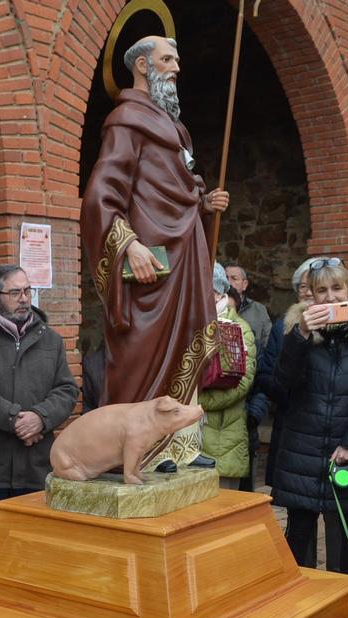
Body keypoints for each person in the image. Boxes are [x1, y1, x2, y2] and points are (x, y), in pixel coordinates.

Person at [80, 35, 229, 466]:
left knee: (184, 346)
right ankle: (140, 451)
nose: (177, 68)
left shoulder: (174, 128)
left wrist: (203, 203)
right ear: (142, 66)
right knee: (140, 355)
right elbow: (100, 197)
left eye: (177, 60)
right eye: (167, 60)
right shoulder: (127, 121)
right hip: (152, 269)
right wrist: (127, 245)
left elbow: (174, 192)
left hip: (185, 260)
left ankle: (179, 447)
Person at [272, 258, 348, 575]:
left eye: (337, 288)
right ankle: (301, 613)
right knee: (299, 546)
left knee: (347, 546)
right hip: (303, 454)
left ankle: (346, 612)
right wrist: (301, 337)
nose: (330, 297)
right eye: (321, 290)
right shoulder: (295, 333)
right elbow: (282, 386)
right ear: (310, 294)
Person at [0, 265, 78, 549]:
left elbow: (67, 390)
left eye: (27, 291)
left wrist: (40, 418)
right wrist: (15, 419)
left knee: (34, 546)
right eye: (15, 292)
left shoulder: (51, 340)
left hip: (36, 464)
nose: (23, 298)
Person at [248, 258, 320, 490]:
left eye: (315, 286)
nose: (309, 292)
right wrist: (288, 393)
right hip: (293, 426)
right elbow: (266, 377)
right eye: (302, 286)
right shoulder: (282, 328)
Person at [199, 263, 256, 490]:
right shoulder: (182, 325)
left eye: (207, 290)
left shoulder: (239, 329)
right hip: (184, 441)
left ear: (220, 293)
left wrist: (190, 402)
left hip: (223, 446)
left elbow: (240, 385)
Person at [223, 262, 271, 351]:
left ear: (244, 285)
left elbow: (268, 343)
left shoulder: (259, 310)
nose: (228, 282)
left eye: (234, 278)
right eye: (225, 278)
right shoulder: (213, 306)